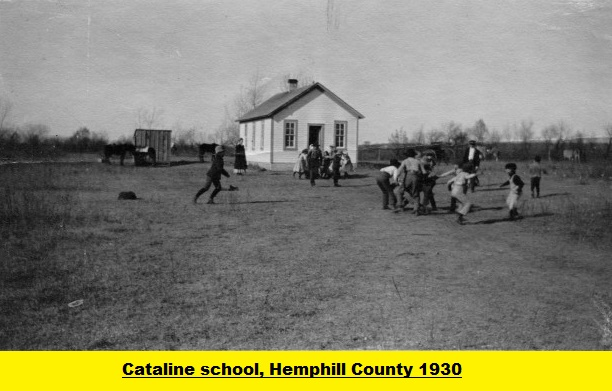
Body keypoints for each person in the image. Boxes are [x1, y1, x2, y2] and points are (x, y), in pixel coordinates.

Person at [394, 149, 427, 214]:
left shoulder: (405, 161)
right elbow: (424, 172)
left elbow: (399, 170)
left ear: (407, 155)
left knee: (399, 191)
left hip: (408, 176)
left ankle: (400, 206)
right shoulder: (418, 161)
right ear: (414, 155)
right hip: (416, 177)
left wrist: (396, 179)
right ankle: (416, 209)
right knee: (416, 193)